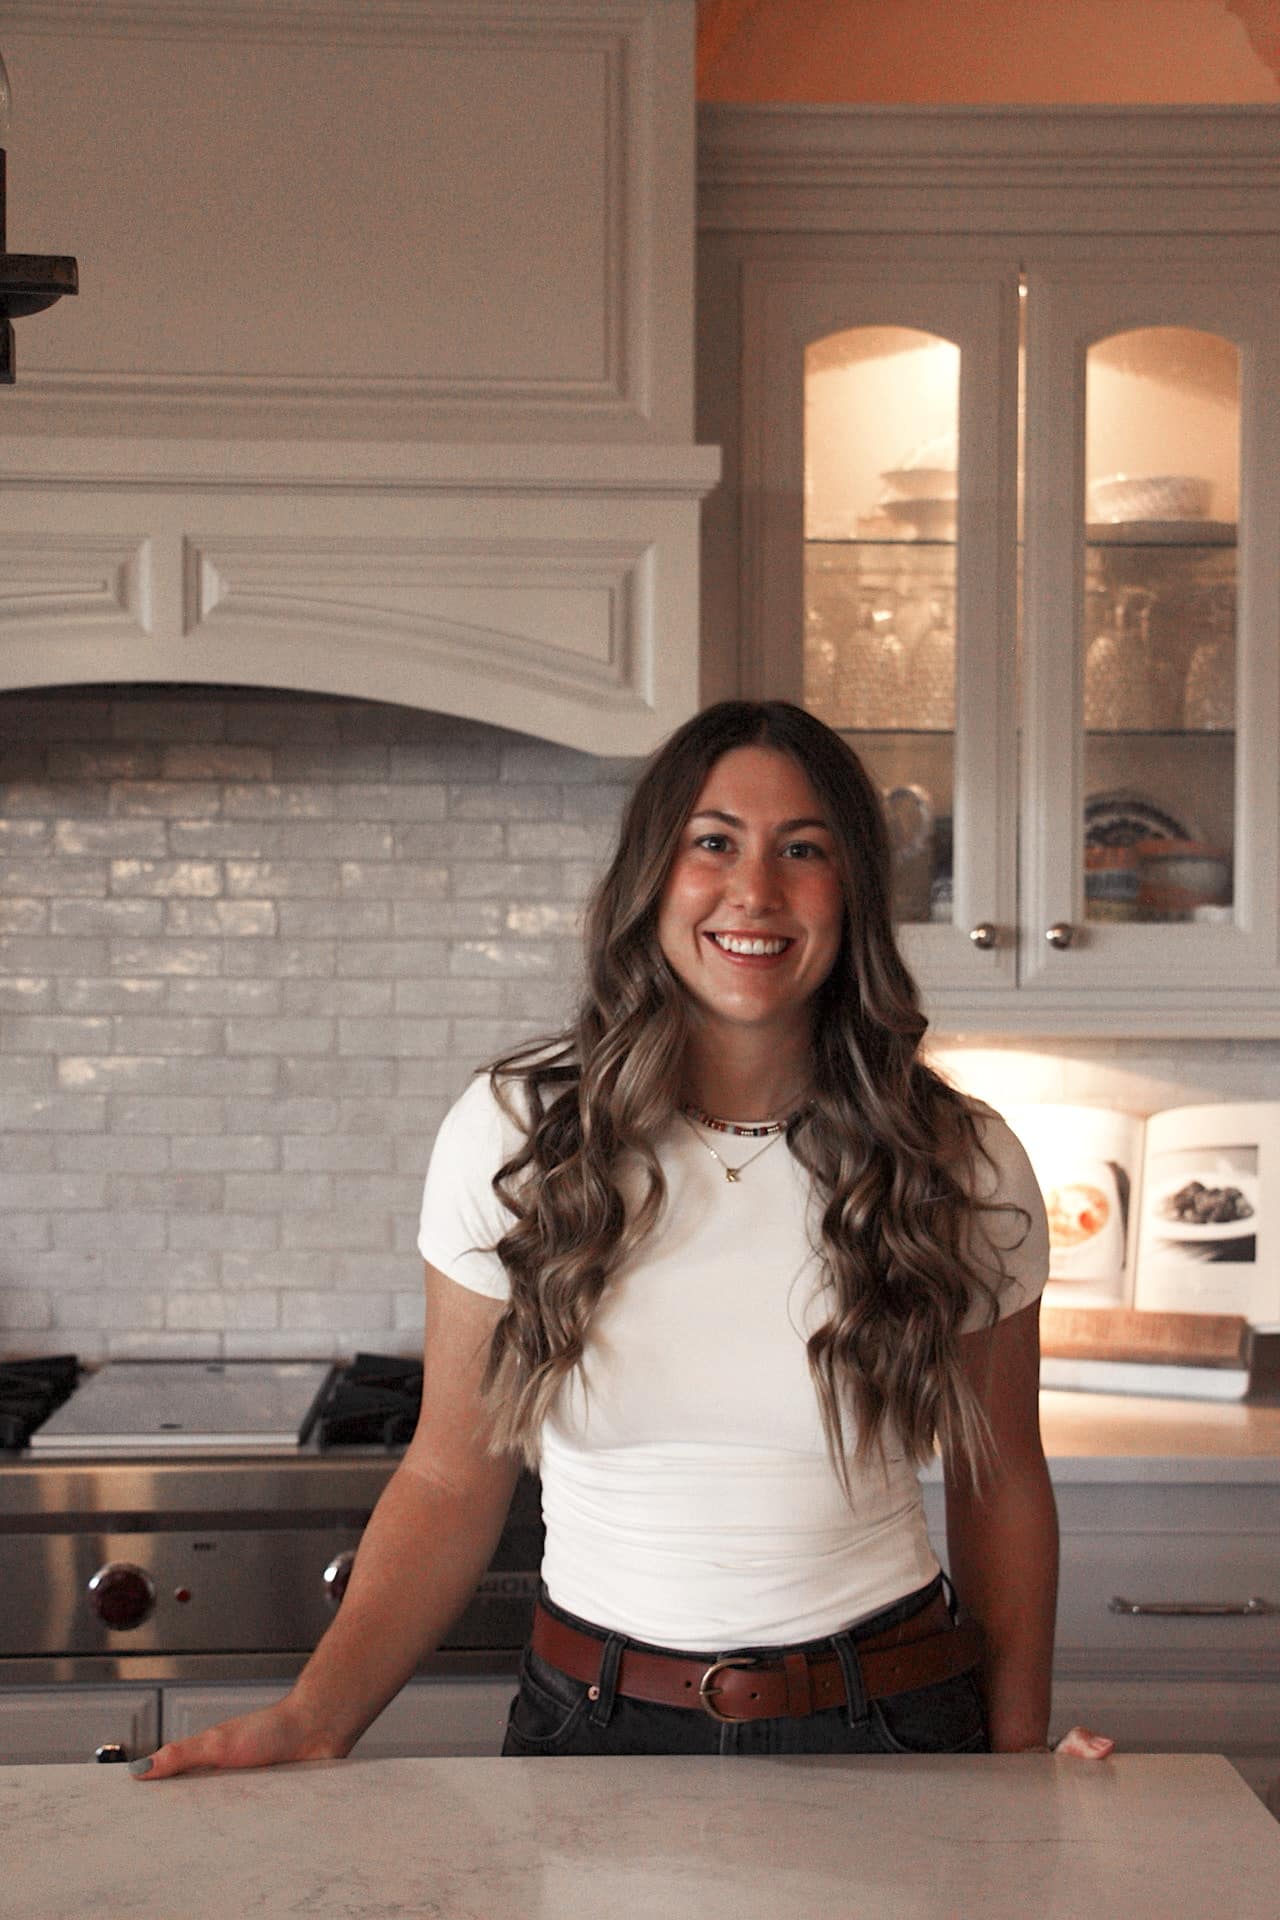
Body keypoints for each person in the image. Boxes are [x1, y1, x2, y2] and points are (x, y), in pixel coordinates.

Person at [132, 700, 1112, 1776]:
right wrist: (312, 1718)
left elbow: (999, 1481)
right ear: (652, 875)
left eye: (802, 850)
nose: (755, 891)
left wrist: (1016, 1746)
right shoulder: (517, 1134)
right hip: (589, 1725)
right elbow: (451, 1480)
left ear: (854, 895)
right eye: (713, 843)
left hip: (887, 1722)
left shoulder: (954, 1157)